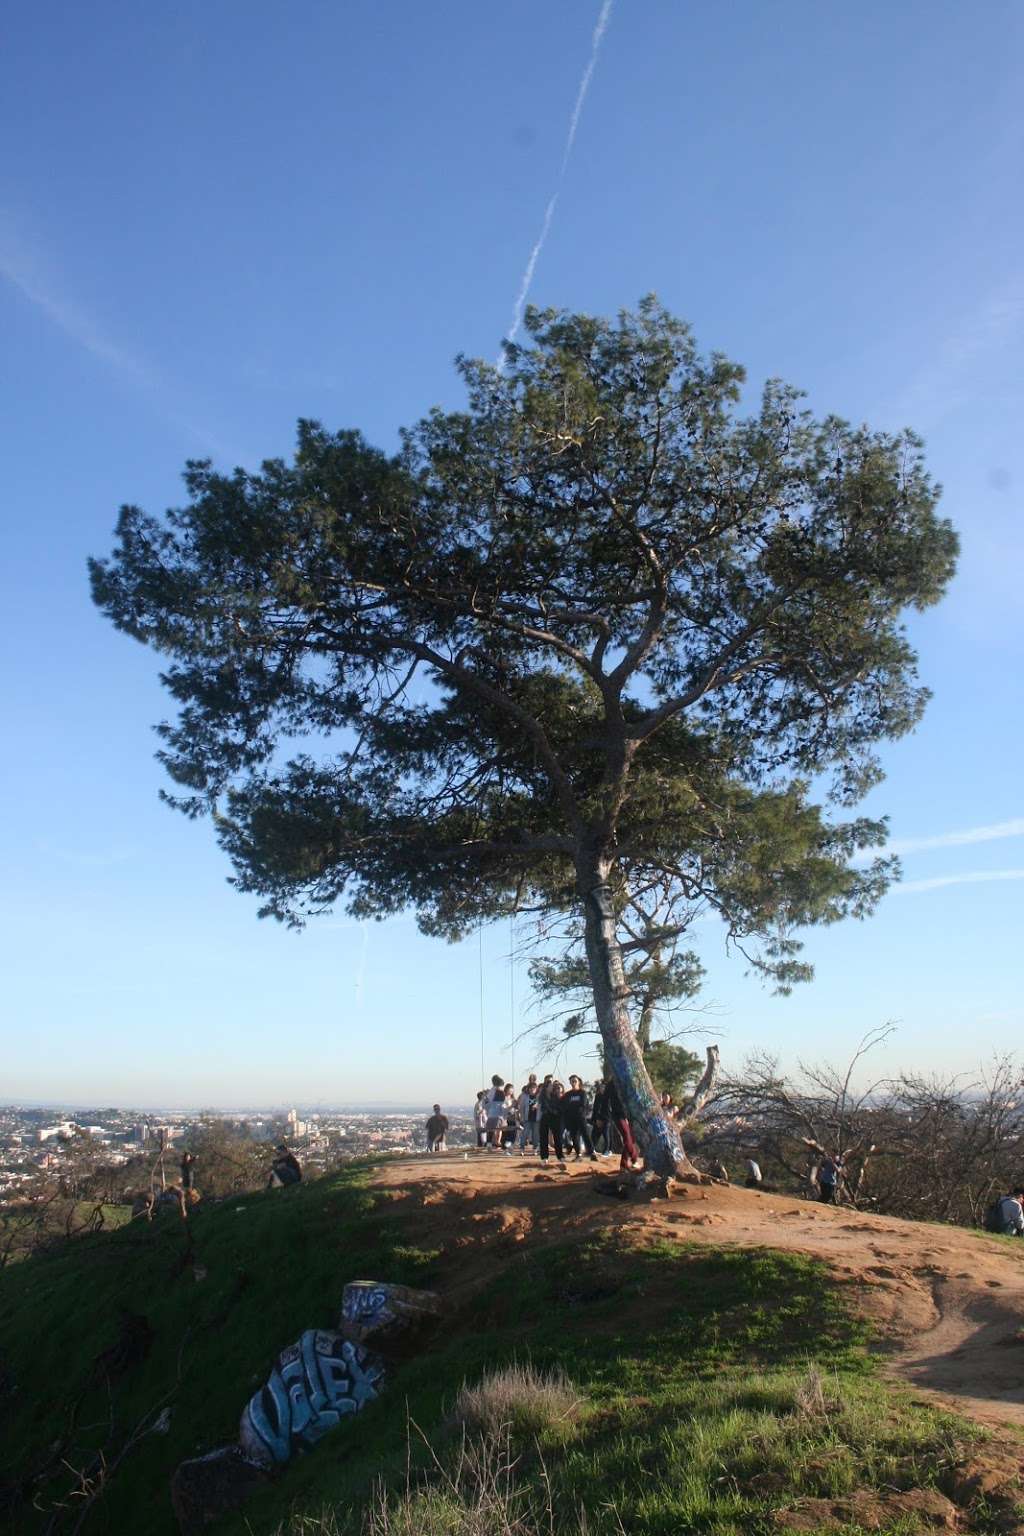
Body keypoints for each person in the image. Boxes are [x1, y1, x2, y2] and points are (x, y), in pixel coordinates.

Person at [602, 1075, 639, 1171]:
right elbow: (605, 1101)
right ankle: (634, 1158)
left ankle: (624, 1164)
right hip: (618, 1115)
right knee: (627, 1136)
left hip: (631, 1114)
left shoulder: (627, 1081)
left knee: (631, 1139)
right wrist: (604, 1117)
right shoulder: (610, 1085)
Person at [562, 1075, 598, 1161]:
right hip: (571, 1119)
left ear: (578, 1082)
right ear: (570, 1083)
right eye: (572, 1081)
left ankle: (592, 1152)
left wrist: (580, 1113)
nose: (573, 1082)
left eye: (575, 1081)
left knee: (586, 1135)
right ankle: (578, 1154)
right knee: (574, 1136)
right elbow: (565, 1107)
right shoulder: (568, 1094)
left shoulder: (582, 1093)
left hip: (581, 1118)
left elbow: (584, 1105)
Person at [539, 1079, 566, 1167]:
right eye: (550, 1086)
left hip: (555, 1118)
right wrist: (551, 1110)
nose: (552, 1087)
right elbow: (543, 1107)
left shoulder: (555, 1095)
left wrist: (555, 1112)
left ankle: (560, 1156)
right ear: (546, 1087)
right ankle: (544, 1157)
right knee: (543, 1138)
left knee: (557, 1137)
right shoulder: (542, 1096)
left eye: (552, 1086)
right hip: (545, 1118)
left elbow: (559, 1106)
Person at [518, 1077, 539, 1154]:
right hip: (527, 1118)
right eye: (530, 1088)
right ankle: (522, 1148)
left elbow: (541, 1105)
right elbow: (521, 1107)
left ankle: (535, 1149)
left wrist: (537, 1105)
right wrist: (522, 1117)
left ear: (536, 1089)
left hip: (536, 1118)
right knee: (525, 1133)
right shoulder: (525, 1096)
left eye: (533, 1088)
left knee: (535, 1135)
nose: (532, 1089)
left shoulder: (539, 1097)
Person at [485, 1074, 507, 1148]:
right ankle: (496, 1143)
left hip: (491, 1113)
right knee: (498, 1129)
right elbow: (503, 1103)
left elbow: (487, 1101)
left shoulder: (491, 1091)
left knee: (491, 1130)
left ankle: (490, 1144)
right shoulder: (500, 1092)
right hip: (498, 1114)